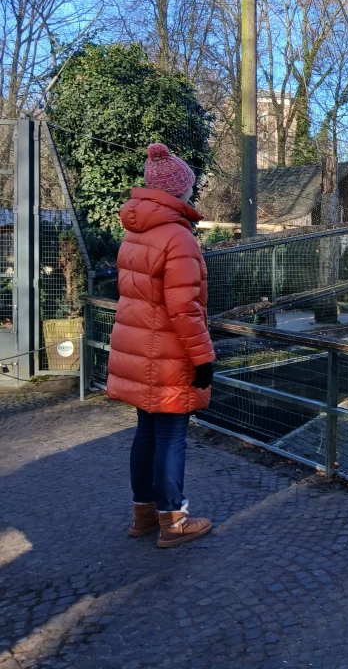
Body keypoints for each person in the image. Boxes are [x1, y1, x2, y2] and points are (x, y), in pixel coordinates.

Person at [106, 143, 215, 549]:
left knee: (146, 433)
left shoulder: (135, 232)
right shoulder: (178, 238)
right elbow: (183, 308)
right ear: (180, 191)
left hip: (137, 352)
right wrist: (203, 358)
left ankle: (143, 514)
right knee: (170, 436)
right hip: (169, 356)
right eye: (190, 186)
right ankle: (174, 520)